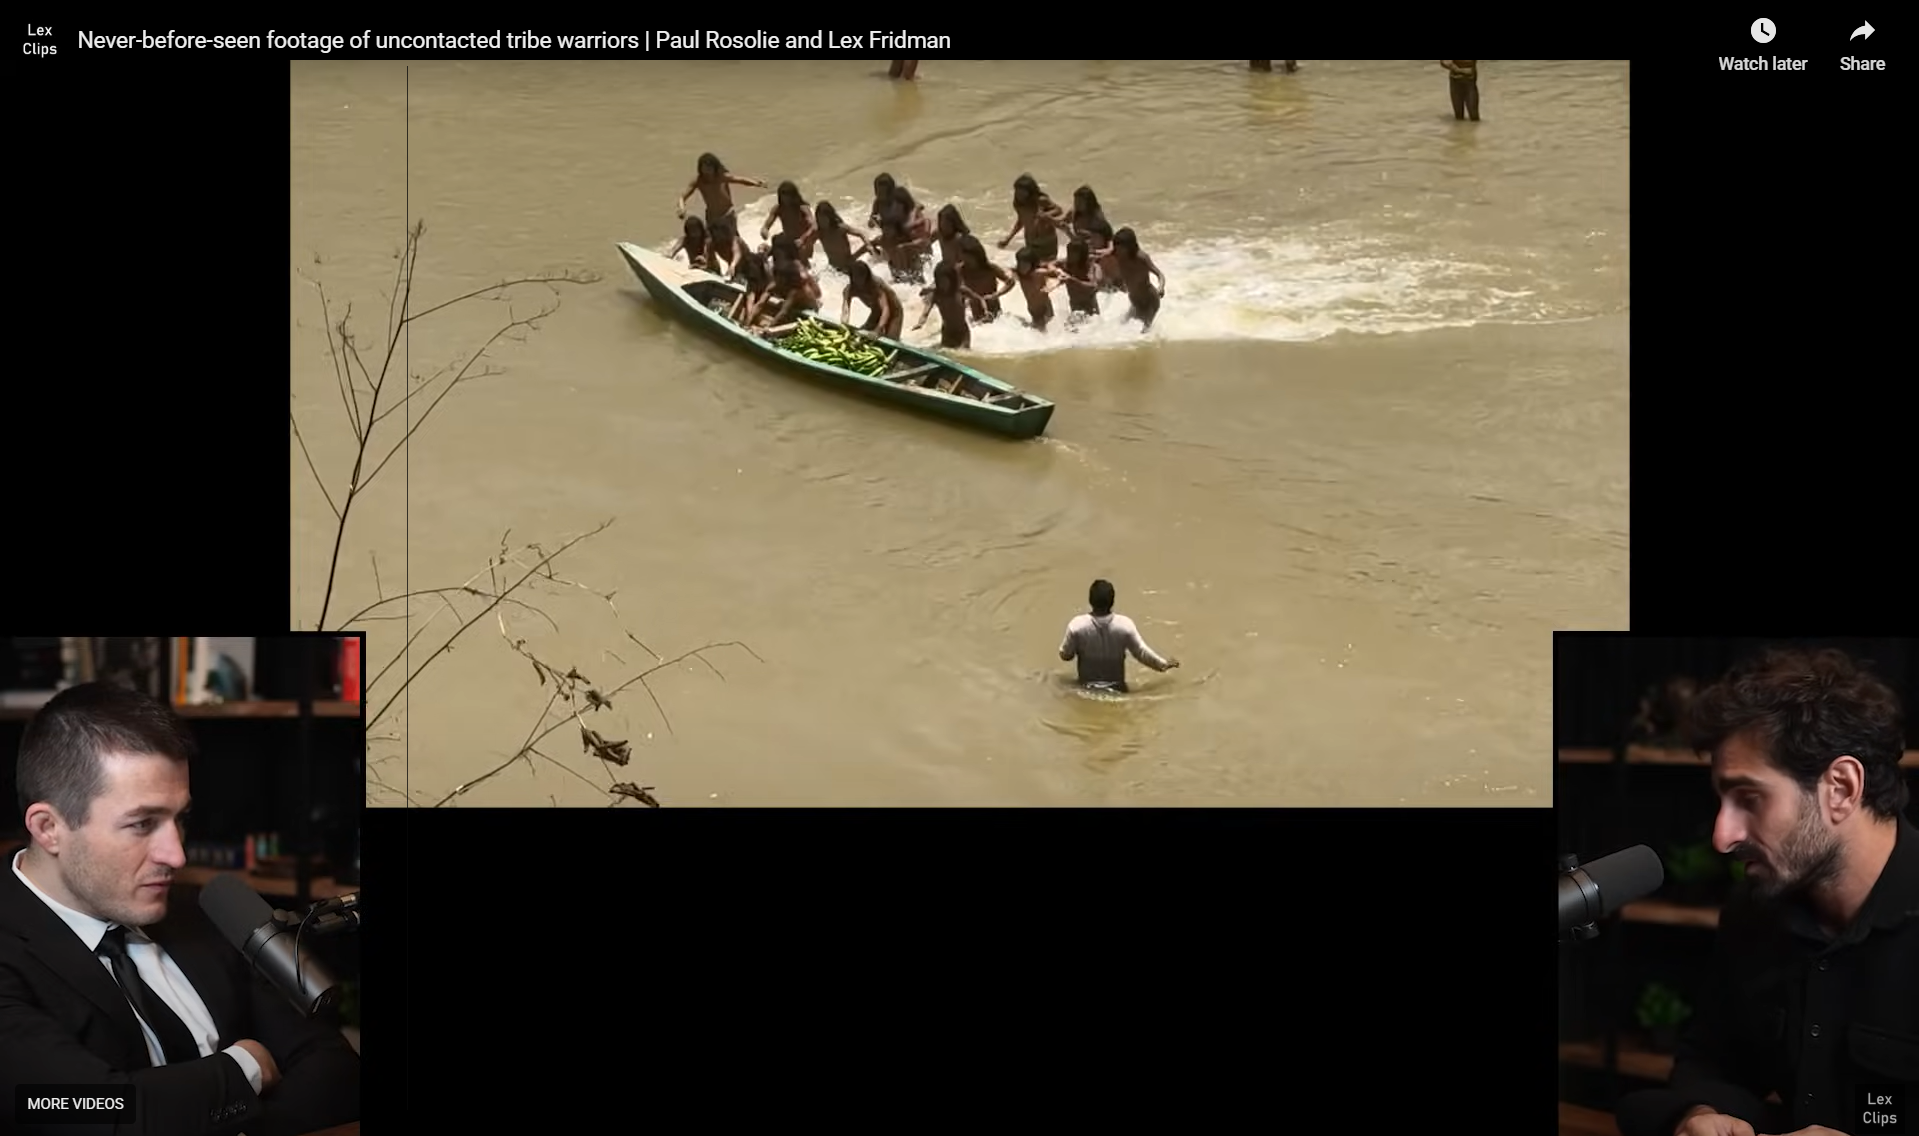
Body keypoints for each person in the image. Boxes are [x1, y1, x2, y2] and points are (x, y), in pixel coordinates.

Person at [0, 684, 360, 1136]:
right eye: (143, 824)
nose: (176, 856)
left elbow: (336, 1070)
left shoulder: (204, 913)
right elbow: (87, 1111)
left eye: (180, 820)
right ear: (48, 828)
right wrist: (246, 1066)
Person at [1614, 647, 1919, 1136]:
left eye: (1749, 798)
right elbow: (1711, 1061)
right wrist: (1700, 1115)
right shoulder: (1756, 912)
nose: (1721, 836)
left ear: (1840, 788)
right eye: (1721, 800)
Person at [1058, 579, 1179, 693]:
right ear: (1112, 601)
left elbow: (1065, 655)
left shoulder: (1077, 626)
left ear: (1090, 600)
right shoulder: (1124, 626)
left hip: (1087, 689)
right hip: (1117, 690)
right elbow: (1141, 653)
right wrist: (1163, 665)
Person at [677, 152, 768, 226]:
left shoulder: (721, 177)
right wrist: (682, 208)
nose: (707, 171)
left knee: (733, 240)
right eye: (704, 168)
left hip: (727, 214)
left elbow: (739, 180)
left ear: (715, 168)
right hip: (712, 216)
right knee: (712, 242)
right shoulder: (698, 181)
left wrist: (756, 183)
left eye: (709, 168)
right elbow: (682, 197)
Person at [911, 261, 983, 350]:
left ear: (952, 279)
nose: (943, 284)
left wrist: (985, 310)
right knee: (945, 354)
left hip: (962, 331)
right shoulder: (935, 295)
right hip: (947, 331)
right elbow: (925, 313)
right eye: (940, 281)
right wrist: (920, 323)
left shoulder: (960, 290)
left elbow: (979, 298)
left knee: (963, 354)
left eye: (945, 281)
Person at [1106, 227, 1167, 331]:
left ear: (1129, 246)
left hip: (1150, 301)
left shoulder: (1141, 257)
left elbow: (1160, 274)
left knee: (1144, 334)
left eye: (1121, 248)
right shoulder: (1116, 254)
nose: (1118, 251)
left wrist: (1160, 287)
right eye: (1116, 247)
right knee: (1120, 330)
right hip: (1135, 300)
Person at [999, 174, 1068, 264]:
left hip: (1046, 241)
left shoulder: (1040, 200)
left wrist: (1045, 215)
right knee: (1032, 269)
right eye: (1017, 191)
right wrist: (1008, 239)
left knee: (1049, 268)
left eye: (1022, 192)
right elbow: (1021, 221)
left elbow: (1058, 210)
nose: (1019, 194)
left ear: (1030, 191)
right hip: (1030, 241)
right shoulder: (1018, 204)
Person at [954, 234, 1015, 322]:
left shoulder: (990, 268)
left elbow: (1011, 282)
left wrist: (995, 295)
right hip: (975, 317)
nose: (962, 257)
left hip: (995, 316)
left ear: (975, 254)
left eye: (965, 255)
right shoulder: (960, 270)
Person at [841, 260, 905, 340]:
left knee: (890, 340)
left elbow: (885, 309)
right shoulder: (849, 289)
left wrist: (877, 331)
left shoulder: (875, 285)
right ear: (851, 276)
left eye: (861, 275)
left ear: (866, 275)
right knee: (861, 334)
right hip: (876, 311)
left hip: (895, 311)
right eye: (856, 276)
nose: (859, 279)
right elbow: (845, 311)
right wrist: (844, 326)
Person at [808, 201, 872, 274]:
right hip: (833, 268)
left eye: (824, 219)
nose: (822, 222)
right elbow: (809, 243)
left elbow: (860, 233)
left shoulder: (840, 228)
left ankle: (866, 249)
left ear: (830, 217)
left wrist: (868, 244)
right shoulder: (820, 232)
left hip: (848, 265)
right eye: (819, 219)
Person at [759, 180, 817, 259]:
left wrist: (802, 239)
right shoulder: (778, 209)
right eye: (783, 196)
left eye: (788, 196)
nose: (786, 199)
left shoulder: (802, 208)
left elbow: (814, 226)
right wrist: (764, 231)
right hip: (788, 240)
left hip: (803, 242)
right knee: (771, 244)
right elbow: (766, 226)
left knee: (803, 256)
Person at [1011, 247, 1061, 332]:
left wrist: (1050, 287)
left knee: (1043, 333)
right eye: (1020, 264)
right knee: (1035, 331)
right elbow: (1006, 272)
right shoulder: (1019, 275)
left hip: (1045, 309)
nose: (1022, 267)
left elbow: (1059, 276)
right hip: (1032, 309)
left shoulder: (1038, 273)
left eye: (1025, 264)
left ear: (1032, 264)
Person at [1056, 239, 1103, 324]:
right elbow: (1049, 265)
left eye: (1073, 252)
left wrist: (1073, 280)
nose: (1070, 255)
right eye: (1069, 251)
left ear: (1082, 254)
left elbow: (1093, 286)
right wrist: (1057, 272)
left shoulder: (1089, 266)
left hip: (1091, 311)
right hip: (1075, 309)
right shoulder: (1066, 264)